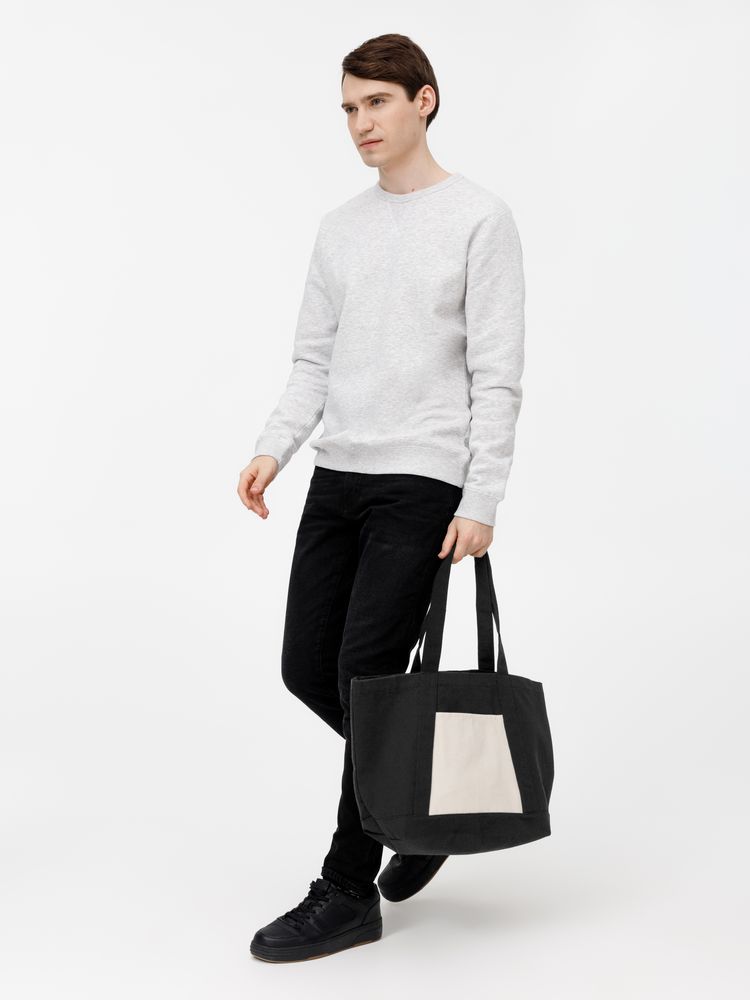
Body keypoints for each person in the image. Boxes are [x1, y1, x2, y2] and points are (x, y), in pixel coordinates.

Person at [238, 32, 525, 963]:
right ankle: (419, 804)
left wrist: (481, 497)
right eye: (350, 109)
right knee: (306, 666)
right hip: (338, 476)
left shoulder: (480, 219)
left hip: (423, 481)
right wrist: (274, 447)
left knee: (368, 673)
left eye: (377, 103)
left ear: (423, 100)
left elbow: (497, 373)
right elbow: (312, 360)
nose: (361, 123)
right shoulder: (340, 228)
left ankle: (347, 888)